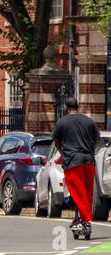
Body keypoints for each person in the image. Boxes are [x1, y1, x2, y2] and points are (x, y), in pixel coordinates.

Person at [52, 97, 100, 238]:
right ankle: (82, 219)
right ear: (78, 107)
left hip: (73, 161)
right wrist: (92, 151)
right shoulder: (89, 121)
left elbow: (56, 141)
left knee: (77, 193)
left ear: (67, 108)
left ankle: (85, 220)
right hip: (89, 161)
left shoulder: (62, 122)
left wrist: (63, 153)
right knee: (87, 192)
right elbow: (97, 139)